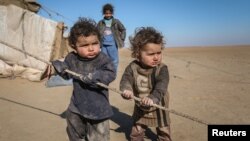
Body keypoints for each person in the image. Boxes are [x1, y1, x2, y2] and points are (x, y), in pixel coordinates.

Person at [48, 17, 116, 141]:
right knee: (74, 132)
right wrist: (59, 67)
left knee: (99, 137)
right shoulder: (72, 58)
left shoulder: (103, 59)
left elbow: (110, 73)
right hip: (77, 106)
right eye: (85, 45)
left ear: (100, 42)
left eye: (94, 43)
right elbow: (66, 73)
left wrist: (96, 76)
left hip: (98, 109)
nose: (91, 48)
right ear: (74, 46)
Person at [120, 27, 172, 141]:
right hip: (141, 107)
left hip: (159, 106)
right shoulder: (132, 67)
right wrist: (126, 89)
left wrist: (153, 98)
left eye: (159, 53)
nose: (156, 57)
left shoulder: (162, 69)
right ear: (138, 53)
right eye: (151, 54)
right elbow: (126, 79)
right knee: (137, 131)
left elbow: (161, 86)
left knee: (164, 131)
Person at [97, 3, 126, 73]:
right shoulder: (100, 23)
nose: (108, 15)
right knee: (103, 60)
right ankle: (104, 73)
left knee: (114, 60)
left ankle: (113, 73)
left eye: (110, 13)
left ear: (112, 13)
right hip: (103, 45)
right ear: (104, 13)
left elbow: (123, 30)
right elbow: (96, 32)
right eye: (106, 13)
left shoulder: (116, 21)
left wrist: (121, 39)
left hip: (113, 44)